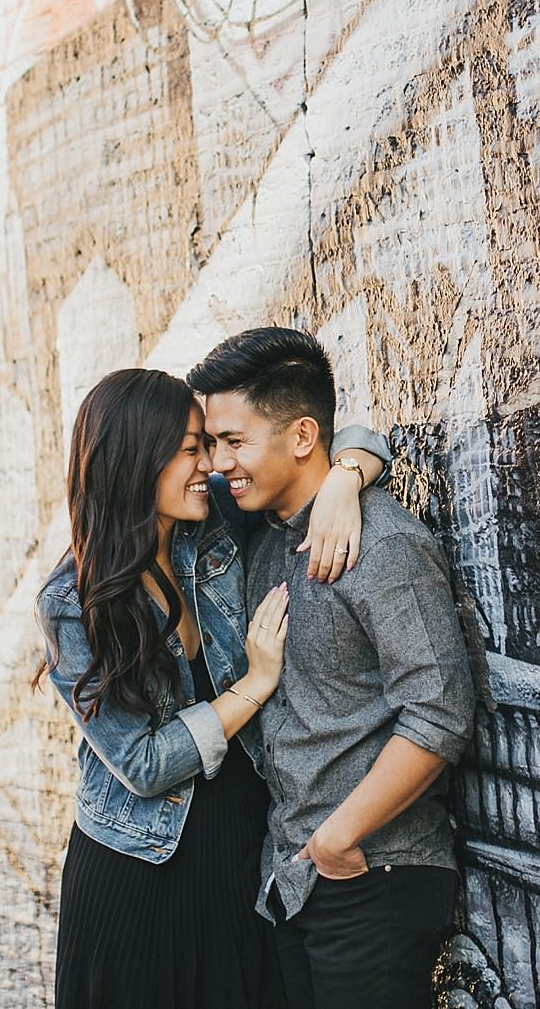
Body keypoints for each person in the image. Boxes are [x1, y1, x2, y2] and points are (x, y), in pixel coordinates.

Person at [35, 367, 389, 1009]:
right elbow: (142, 765)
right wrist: (253, 686)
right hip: (139, 870)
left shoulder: (215, 522)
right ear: (135, 460)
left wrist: (344, 480)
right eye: (191, 448)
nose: (211, 463)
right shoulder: (73, 602)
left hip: (240, 851)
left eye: (210, 444)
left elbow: (341, 439)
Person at [186, 328, 477, 1009]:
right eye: (211, 442)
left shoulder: (384, 546)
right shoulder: (258, 537)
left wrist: (340, 837)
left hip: (372, 871)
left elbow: (439, 709)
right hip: (293, 877)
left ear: (301, 435)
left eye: (233, 440)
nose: (219, 462)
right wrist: (350, 466)